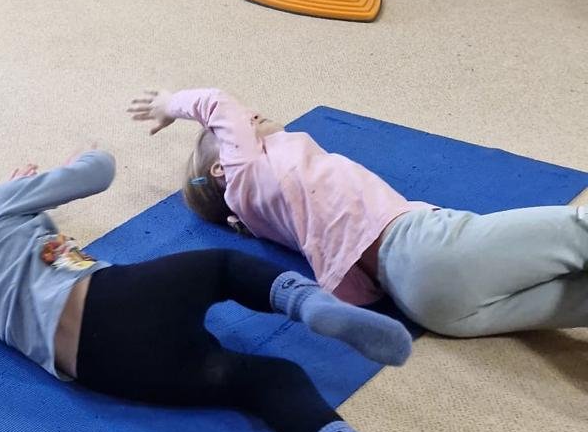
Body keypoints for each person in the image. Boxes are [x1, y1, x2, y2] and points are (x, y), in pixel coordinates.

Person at [0, 150, 487, 432]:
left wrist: (22, 212)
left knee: (259, 380)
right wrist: (31, 185)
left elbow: (15, 265)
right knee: (220, 267)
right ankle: (310, 305)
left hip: (100, 369)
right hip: (109, 302)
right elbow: (99, 169)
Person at [130, 86, 588, 339]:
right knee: (577, 228)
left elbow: (351, 287)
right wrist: (171, 104)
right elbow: (217, 102)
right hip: (425, 248)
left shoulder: (268, 217)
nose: (254, 117)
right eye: (247, 124)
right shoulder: (246, 175)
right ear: (223, 167)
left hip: (427, 307)